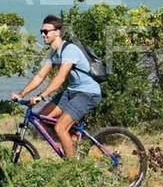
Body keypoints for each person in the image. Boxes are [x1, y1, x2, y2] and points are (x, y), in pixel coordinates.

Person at [10, 15, 102, 158]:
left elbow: (60, 77)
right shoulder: (53, 53)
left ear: (57, 32)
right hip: (72, 91)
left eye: (46, 31)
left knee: (60, 127)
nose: (42, 34)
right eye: (41, 31)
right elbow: (39, 77)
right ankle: (72, 140)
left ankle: (73, 171)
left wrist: (41, 96)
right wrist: (22, 94)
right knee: (42, 118)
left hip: (87, 93)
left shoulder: (69, 50)